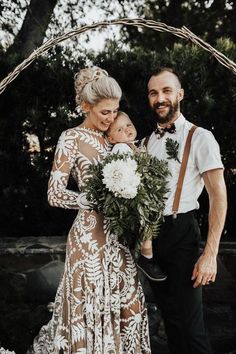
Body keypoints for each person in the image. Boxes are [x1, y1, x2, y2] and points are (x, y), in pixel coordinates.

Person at [29, 67, 151, 354]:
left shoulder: (115, 137)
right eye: (105, 112)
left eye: (115, 111)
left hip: (118, 240)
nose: (111, 118)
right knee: (91, 310)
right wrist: (88, 199)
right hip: (88, 242)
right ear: (86, 106)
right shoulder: (70, 137)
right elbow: (54, 193)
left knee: (130, 307)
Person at [144, 67, 227, 354]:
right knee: (172, 323)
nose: (160, 98)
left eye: (167, 91)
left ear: (180, 94)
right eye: (154, 93)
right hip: (152, 238)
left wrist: (210, 254)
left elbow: (218, 196)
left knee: (192, 328)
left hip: (182, 235)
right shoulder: (146, 142)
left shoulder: (200, 137)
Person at [107, 110, 167, 282]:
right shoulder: (119, 148)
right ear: (111, 139)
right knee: (146, 218)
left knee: (151, 217)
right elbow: (122, 171)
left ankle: (146, 252)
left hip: (139, 189)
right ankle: (146, 256)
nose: (126, 130)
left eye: (128, 125)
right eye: (119, 130)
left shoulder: (135, 145)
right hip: (130, 193)